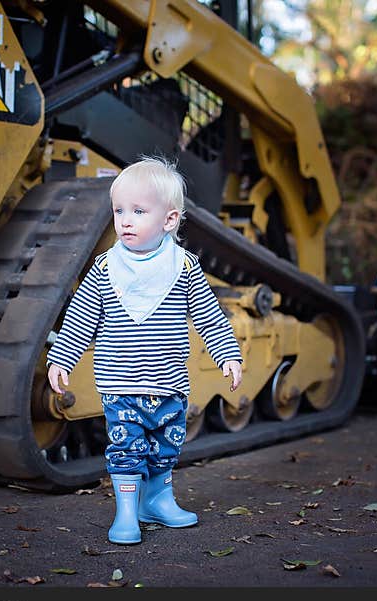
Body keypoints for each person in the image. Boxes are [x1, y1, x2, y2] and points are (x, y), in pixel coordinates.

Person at [46, 156, 243, 544]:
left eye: (138, 211)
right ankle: (126, 511)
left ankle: (159, 499)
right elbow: (81, 317)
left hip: (169, 384)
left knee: (166, 444)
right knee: (126, 446)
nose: (126, 220)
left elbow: (209, 316)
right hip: (120, 384)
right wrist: (62, 357)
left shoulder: (183, 267)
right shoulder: (106, 268)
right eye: (119, 210)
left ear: (169, 221)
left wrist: (228, 355)